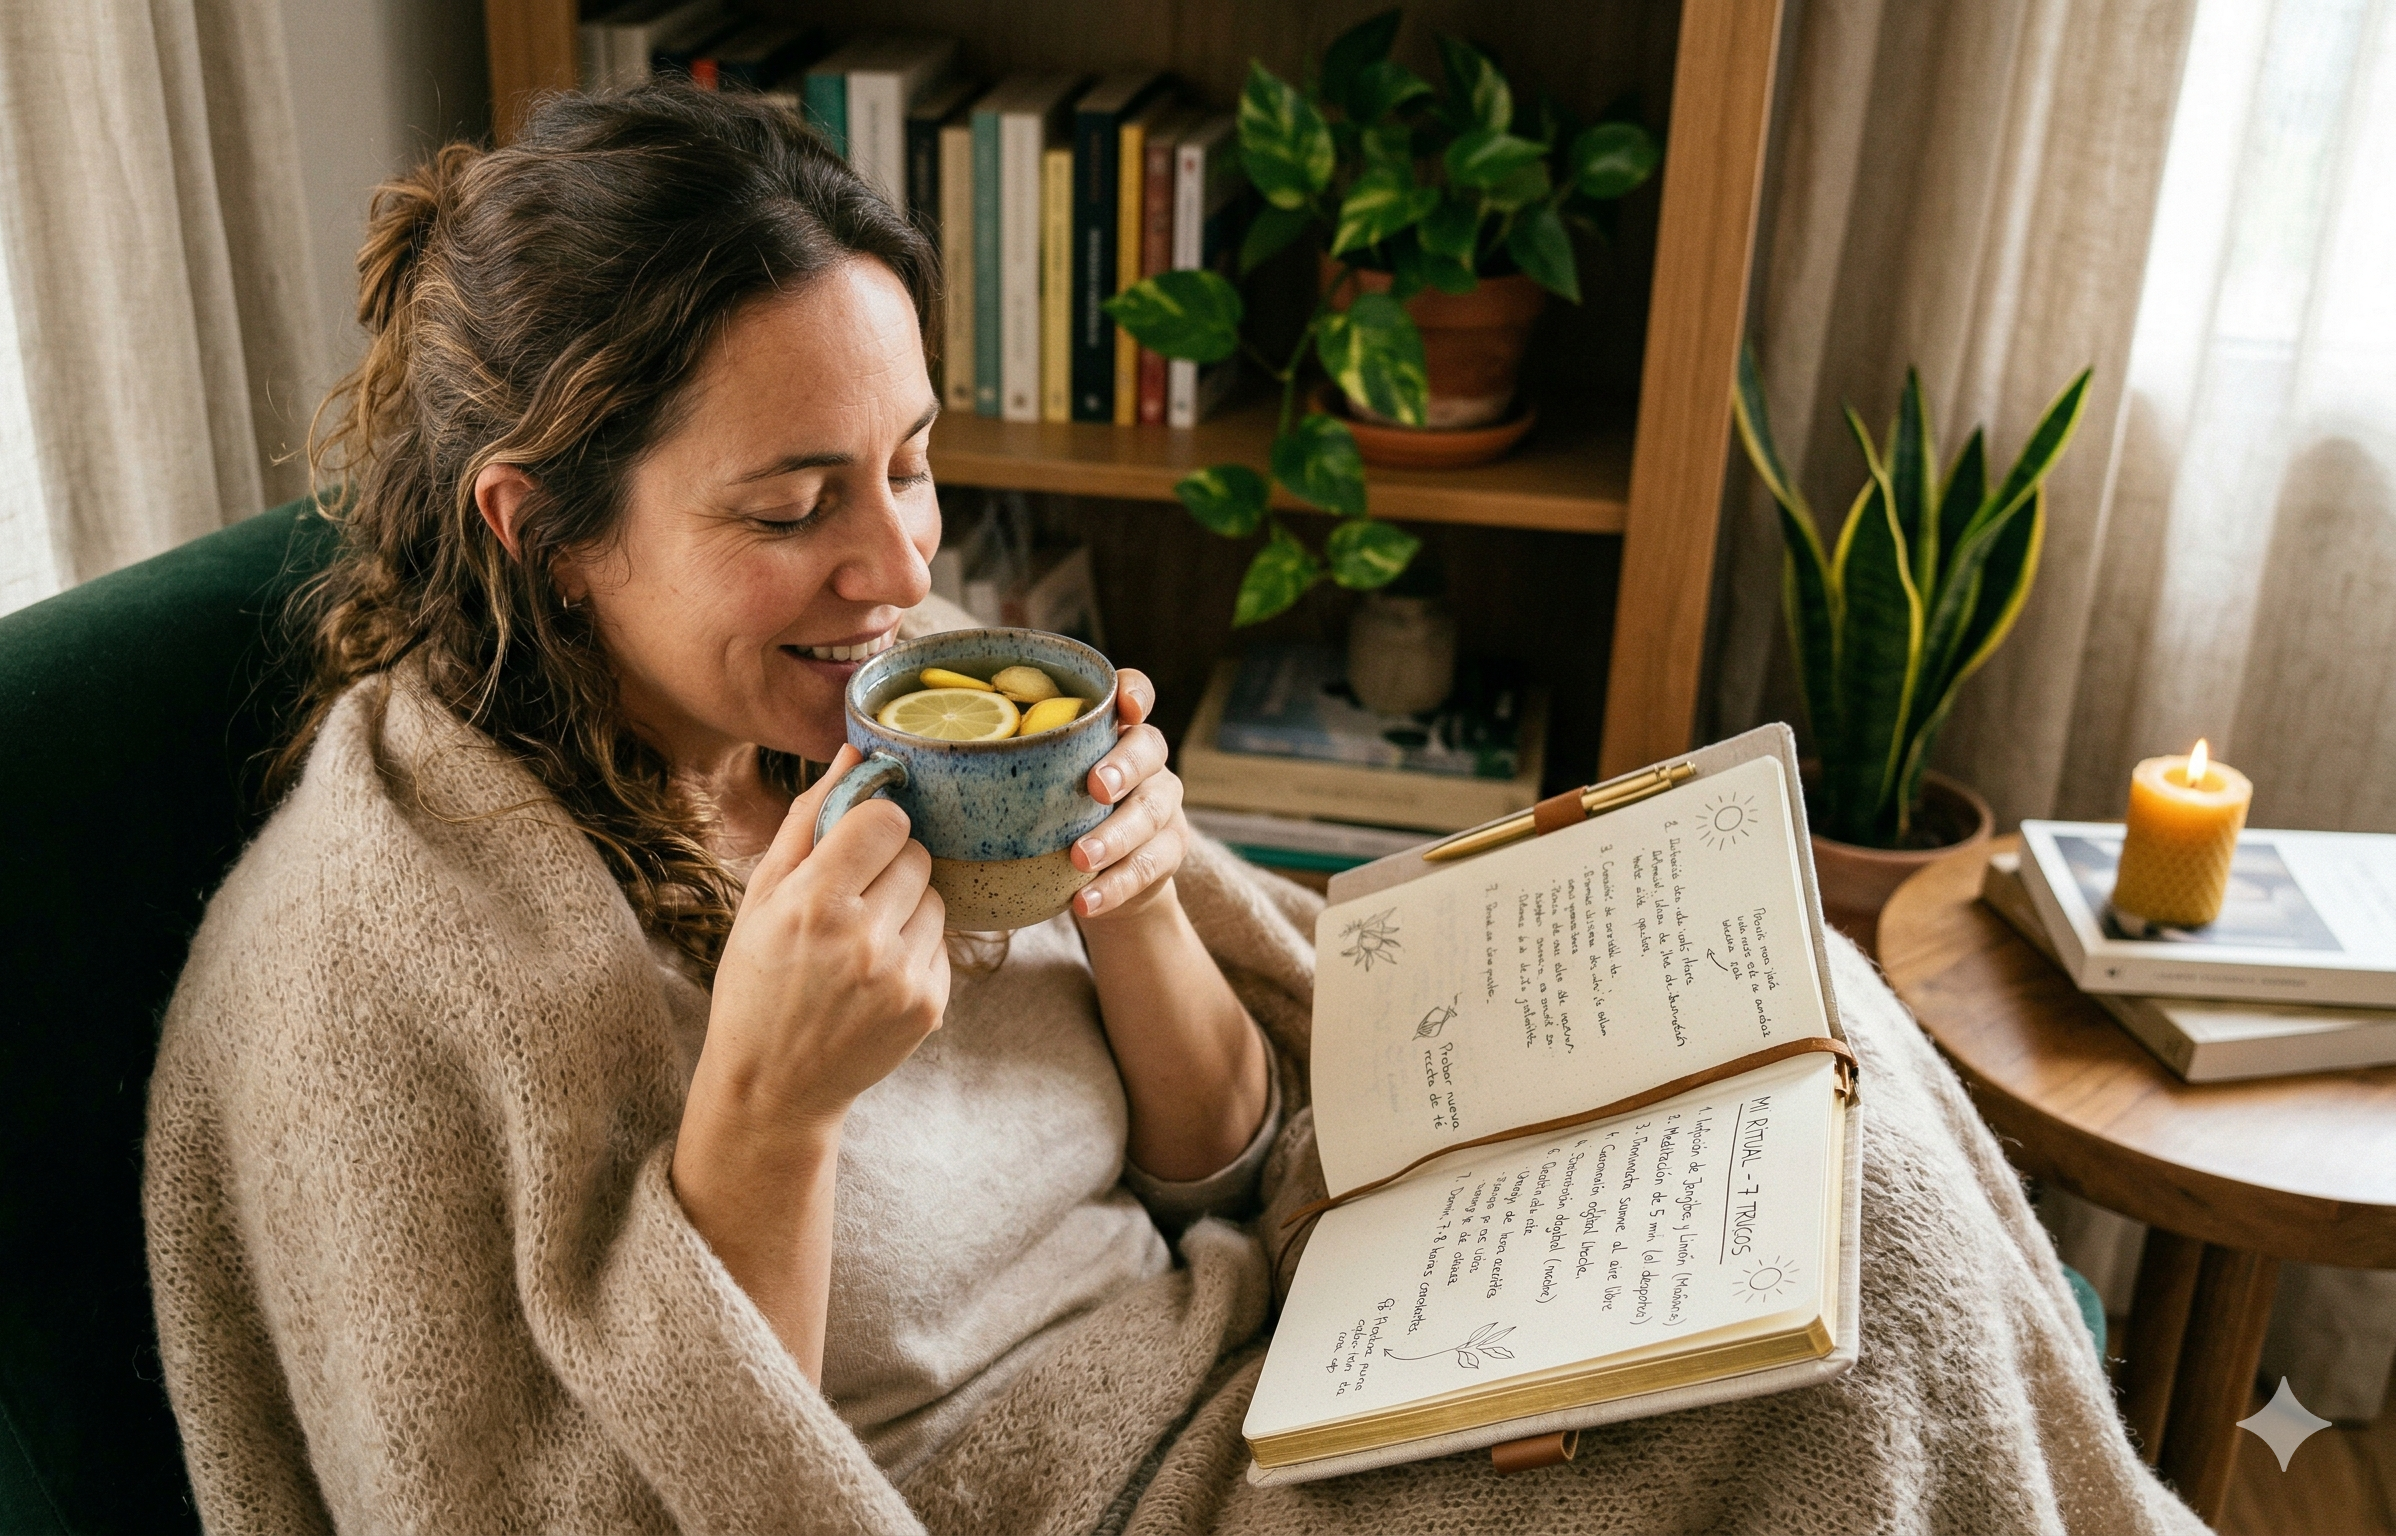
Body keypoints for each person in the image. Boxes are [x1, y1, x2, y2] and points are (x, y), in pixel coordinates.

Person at [142, 84, 2204, 1534]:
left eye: (914, 459)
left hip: (1264, 1371)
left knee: (1838, 1085)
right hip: (1050, 1499)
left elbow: (1224, 1162)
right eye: (792, 508)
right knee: (1844, 1355)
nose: (897, 566)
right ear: (542, 534)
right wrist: (762, 1124)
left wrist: (1130, 901)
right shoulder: (382, 959)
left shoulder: (919, 705)